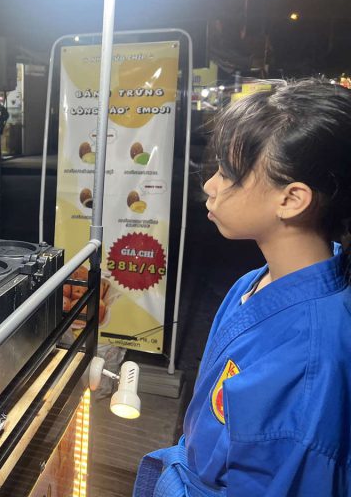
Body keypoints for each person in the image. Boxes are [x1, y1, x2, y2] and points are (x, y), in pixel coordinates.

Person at [134, 79, 351, 496]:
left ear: (292, 199)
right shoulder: (253, 283)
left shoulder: (311, 362)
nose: (210, 185)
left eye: (228, 172)